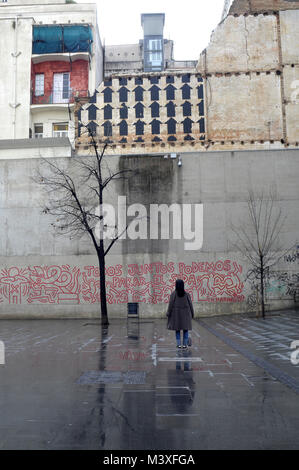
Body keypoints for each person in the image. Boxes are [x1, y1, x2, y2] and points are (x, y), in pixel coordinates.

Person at [166, 279, 194, 349]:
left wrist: (168, 313)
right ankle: (185, 344)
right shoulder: (187, 294)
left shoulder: (173, 294)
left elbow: (170, 304)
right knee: (185, 330)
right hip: (186, 315)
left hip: (176, 315)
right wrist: (192, 313)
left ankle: (178, 344)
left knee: (177, 330)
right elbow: (190, 304)